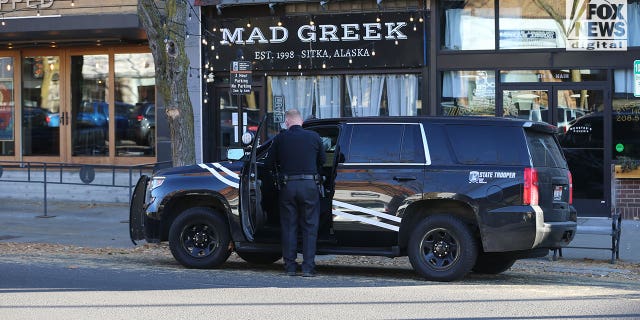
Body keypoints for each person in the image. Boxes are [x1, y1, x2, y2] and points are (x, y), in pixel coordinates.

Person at [265, 109, 325, 277]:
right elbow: (322, 161)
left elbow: (269, 163)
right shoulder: (314, 137)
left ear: (287, 122)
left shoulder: (280, 138)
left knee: (289, 227)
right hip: (309, 185)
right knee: (309, 228)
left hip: (288, 187)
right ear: (301, 122)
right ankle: (308, 268)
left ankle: (290, 267)